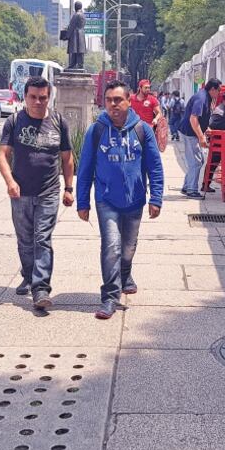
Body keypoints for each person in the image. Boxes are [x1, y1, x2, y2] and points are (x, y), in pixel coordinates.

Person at [77, 80, 164, 320]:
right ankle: (109, 297)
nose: (113, 105)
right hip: (106, 200)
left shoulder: (142, 130)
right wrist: (82, 202)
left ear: (128, 101)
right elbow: (85, 169)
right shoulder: (96, 131)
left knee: (128, 248)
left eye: (118, 100)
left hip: (135, 200)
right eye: (109, 100)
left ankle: (126, 272)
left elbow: (154, 167)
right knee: (112, 246)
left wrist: (156, 197)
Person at [0, 76, 75, 310]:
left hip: (49, 191)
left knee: (42, 238)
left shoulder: (59, 122)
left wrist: (69, 188)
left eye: (43, 97)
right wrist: (10, 181)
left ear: (49, 97)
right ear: (25, 96)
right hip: (20, 192)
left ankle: (41, 288)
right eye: (33, 97)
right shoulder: (14, 122)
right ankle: (29, 275)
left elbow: (67, 158)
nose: (38, 102)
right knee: (25, 241)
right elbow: (2, 155)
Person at [178, 78, 222, 198]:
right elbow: (193, 118)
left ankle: (187, 187)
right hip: (190, 133)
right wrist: (201, 137)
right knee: (196, 162)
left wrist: (205, 129)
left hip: (190, 132)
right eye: (219, 90)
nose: (219, 93)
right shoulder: (201, 98)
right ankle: (191, 190)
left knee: (197, 161)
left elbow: (201, 118)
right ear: (212, 89)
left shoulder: (206, 97)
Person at [65, 1, 87, 70]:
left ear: (76, 7)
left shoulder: (76, 15)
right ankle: (79, 64)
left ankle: (73, 64)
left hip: (75, 34)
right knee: (79, 51)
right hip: (81, 34)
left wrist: (67, 36)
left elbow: (71, 26)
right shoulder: (83, 15)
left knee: (74, 50)